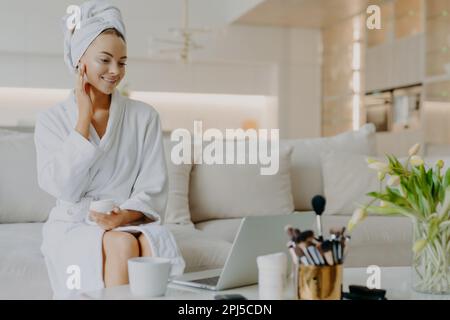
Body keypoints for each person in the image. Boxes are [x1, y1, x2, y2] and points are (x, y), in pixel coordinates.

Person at [34, 0, 185, 299]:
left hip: (128, 218)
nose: (115, 71)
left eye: (122, 61)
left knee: (141, 242)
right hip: (75, 223)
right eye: (105, 60)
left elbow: (153, 186)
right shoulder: (51, 120)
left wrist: (124, 216)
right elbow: (62, 187)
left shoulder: (144, 117)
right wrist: (82, 119)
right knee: (121, 244)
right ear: (80, 61)